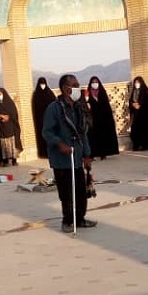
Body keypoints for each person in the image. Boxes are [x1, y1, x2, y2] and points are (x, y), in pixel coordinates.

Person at [42, 74, 94, 233]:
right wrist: (60, 144)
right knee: (66, 192)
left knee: (80, 190)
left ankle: (80, 218)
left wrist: (87, 155)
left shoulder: (79, 108)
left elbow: (83, 133)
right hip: (62, 159)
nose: (78, 88)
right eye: (75, 85)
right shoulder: (54, 108)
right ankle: (67, 221)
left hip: (76, 157)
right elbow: (47, 132)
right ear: (65, 88)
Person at [85, 76, 119, 159]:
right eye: (93, 82)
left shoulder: (102, 92)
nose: (95, 84)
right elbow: (85, 104)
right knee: (93, 137)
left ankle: (103, 153)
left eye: (96, 82)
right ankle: (92, 154)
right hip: (93, 119)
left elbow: (106, 106)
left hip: (103, 119)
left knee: (103, 136)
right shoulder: (87, 93)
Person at [0, 87, 22, 166]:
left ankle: (14, 160)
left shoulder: (10, 103)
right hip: (1, 128)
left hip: (10, 127)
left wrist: (8, 117)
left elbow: (14, 114)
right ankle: (5, 160)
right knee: (3, 145)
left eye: (0, 94)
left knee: (12, 143)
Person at [128, 76, 148, 151]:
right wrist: (133, 104)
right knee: (135, 130)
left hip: (144, 115)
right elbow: (130, 101)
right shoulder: (133, 92)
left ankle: (145, 145)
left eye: (138, 82)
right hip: (136, 115)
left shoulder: (145, 91)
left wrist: (140, 105)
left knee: (144, 130)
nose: (136, 84)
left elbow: (147, 102)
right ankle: (136, 145)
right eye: (135, 83)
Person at [31, 77, 56, 159]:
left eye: (43, 83)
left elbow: (54, 104)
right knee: (42, 137)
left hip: (50, 119)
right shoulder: (36, 94)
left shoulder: (50, 93)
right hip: (40, 120)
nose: (42, 85)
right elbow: (35, 108)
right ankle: (43, 153)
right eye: (41, 84)